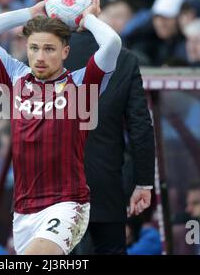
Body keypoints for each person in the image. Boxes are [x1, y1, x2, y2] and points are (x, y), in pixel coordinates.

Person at [0, 0, 122, 254]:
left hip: (67, 204)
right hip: (24, 209)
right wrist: (29, 12)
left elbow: (112, 43)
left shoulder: (82, 84)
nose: (39, 56)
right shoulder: (15, 77)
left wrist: (89, 19)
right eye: (33, 47)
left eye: (49, 49)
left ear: (65, 51)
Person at [65, 29, 155, 254]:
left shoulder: (35, 58)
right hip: (103, 188)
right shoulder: (123, 59)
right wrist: (143, 182)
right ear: (94, 10)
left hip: (39, 190)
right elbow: (140, 128)